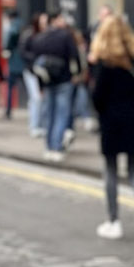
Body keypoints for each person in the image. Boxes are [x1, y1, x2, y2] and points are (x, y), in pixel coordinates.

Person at [88, 15, 134, 242]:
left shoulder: (104, 61)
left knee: (110, 170)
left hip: (112, 122)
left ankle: (113, 222)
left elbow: (97, 97)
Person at [32, 11, 81, 161]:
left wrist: (40, 85)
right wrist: (76, 74)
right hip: (64, 80)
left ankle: (48, 147)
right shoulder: (65, 36)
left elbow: (36, 65)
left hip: (47, 82)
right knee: (61, 114)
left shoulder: (40, 38)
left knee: (49, 115)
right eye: (61, 18)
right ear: (56, 20)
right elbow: (75, 56)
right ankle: (57, 147)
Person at [21, 12, 48, 137]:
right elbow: (23, 52)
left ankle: (41, 125)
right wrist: (35, 59)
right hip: (31, 71)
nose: (44, 25)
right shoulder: (29, 35)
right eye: (42, 22)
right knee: (36, 98)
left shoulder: (48, 35)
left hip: (44, 72)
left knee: (43, 99)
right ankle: (34, 125)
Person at [2, 0, 26, 119]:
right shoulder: (23, 26)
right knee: (28, 86)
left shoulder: (12, 28)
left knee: (10, 86)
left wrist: (7, 49)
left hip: (14, 60)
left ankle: (8, 110)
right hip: (24, 60)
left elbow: (8, 44)